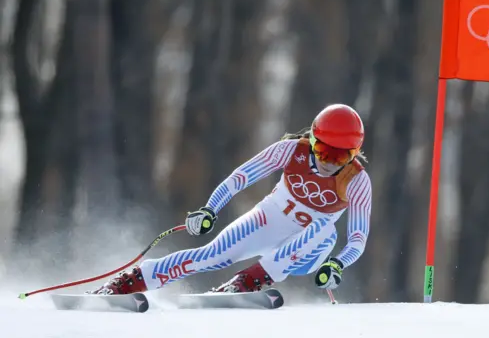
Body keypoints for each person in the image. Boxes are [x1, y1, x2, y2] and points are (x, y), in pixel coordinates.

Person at [89, 103, 372, 295]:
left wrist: (337, 264)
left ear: (354, 153)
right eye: (323, 152)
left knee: (325, 229)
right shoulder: (290, 150)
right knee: (212, 255)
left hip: (307, 251)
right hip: (269, 219)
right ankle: (129, 283)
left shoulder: (357, 180)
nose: (329, 163)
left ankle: (247, 282)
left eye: (341, 156)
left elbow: (358, 238)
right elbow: (241, 177)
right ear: (311, 140)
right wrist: (210, 210)